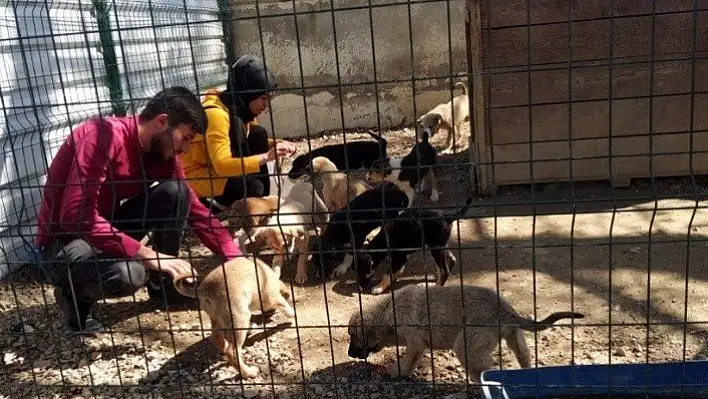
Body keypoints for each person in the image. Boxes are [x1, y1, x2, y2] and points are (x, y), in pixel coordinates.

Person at [35, 86, 243, 334]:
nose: (186, 149)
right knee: (130, 274)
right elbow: (75, 217)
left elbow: (196, 210)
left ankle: (166, 288)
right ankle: (72, 295)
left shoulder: (163, 153)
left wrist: (236, 260)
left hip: (104, 229)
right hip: (64, 244)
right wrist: (146, 254)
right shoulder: (100, 136)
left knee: (177, 192)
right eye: (186, 137)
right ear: (163, 122)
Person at [181, 54, 297, 209]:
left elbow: (251, 137)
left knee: (259, 134)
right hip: (198, 176)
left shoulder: (240, 109)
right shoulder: (217, 115)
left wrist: (278, 145)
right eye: (263, 98)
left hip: (215, 168)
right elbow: (222, 165)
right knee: (253, 188)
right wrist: (266, 157)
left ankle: (262, 203)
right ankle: (211, 204)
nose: (266, 105)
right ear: (248, 95)